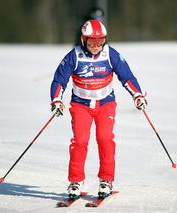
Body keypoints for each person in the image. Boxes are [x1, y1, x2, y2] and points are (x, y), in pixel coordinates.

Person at [50, 20, 147, 199]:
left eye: (100, 41)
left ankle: (106, 180)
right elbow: (59, 79)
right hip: (81, 105)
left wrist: (137, 95)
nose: (96, 46)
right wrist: (56, 99)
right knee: (80, 141)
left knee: (104, 138)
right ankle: (76, 181)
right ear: (83, 39)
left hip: (105, 104)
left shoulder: (110, 54)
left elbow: (126, 76)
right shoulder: (75, 56)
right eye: (92, 42)